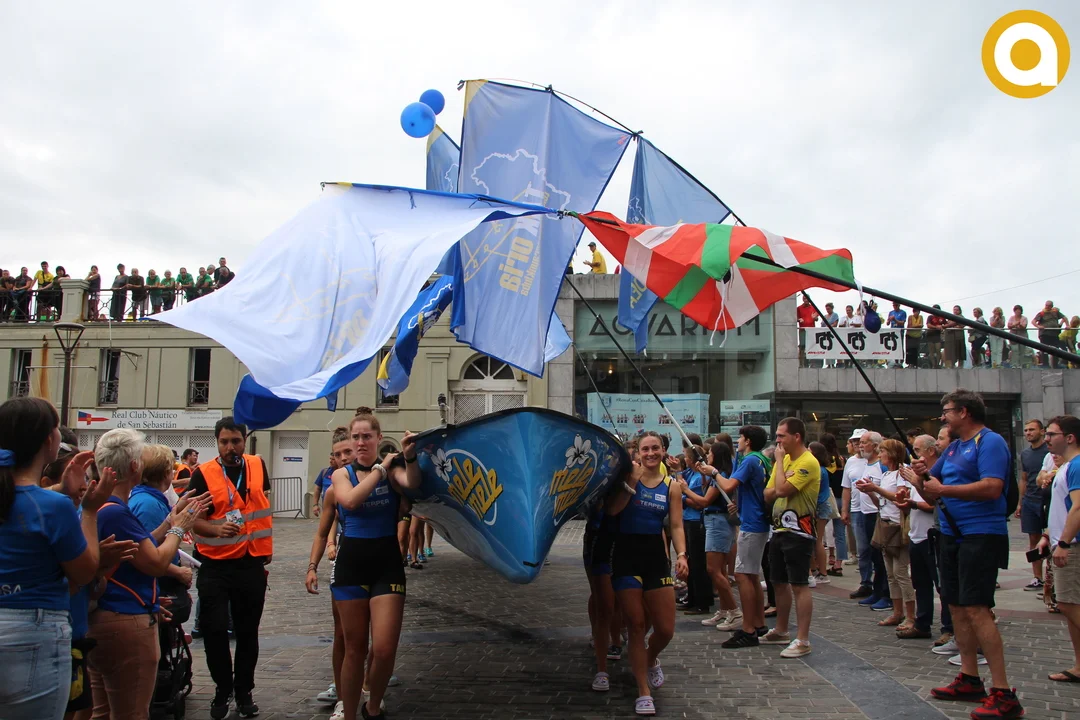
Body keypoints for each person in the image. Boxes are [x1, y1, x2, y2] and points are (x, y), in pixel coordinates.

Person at [0, 398, 114, 720]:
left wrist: (62, 489)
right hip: (34, 630)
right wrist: (89, 510)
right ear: (48, 441)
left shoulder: (38, 501)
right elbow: (85, 572)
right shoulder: (54, 507)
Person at [911, 389, 1021, 719]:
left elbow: (992, 487)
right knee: (956, 606)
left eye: (946, 411)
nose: (942, 417)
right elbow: (932, 493)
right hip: (950, 533)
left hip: (980, 534)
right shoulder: (954, 447)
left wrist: (942, 488)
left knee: (977, 608)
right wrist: (919, 478)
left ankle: (1003, 692)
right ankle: (969, 677)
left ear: (964, 412)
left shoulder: (990, 442)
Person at [87, 428, 206, 720]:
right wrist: (179, 528)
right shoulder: (117, 511)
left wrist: (169, 522)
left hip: (105, 617)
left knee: (102, 711)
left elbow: (140, 548)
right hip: (124, 618)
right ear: (133, 467)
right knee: (132, 712)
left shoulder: (105, 506)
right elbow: (155, 562)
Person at [330, 410, 421, 720]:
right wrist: (380, 470)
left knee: (383, 648)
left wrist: (409, 457)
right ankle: (348, 713)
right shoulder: (342, 474)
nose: (360, 442)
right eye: (356, 437)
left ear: (378, 438)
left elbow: (412, 482)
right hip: (351, 565)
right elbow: (350, 501)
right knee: (354, 649)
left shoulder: (392, 470)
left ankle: (372, 706)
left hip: (386, 563)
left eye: (367, 436)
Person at [187, 417, 274, 719]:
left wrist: (266, 548)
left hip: (251, 561)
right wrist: (215, 529)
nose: (229, 447)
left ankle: (244, 690)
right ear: (217, 442)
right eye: (224, 441)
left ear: (244, 440)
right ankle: (222, 689)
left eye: (235, 441)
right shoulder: (203, 474)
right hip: (215, 565)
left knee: (248, 631)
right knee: (213, 630)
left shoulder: (258, 465)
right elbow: (191, 520)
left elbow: (262, 507)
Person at [606, 431, 688, 716]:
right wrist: (631, 481)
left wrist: (681, 554)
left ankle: (650, 658)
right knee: (636, 625)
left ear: (664, 451)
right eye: (645, 449)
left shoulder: (671, 486)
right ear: (638, 453)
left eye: (656, 448)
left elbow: (676, 525)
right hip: (625, 556)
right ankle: (643, 690)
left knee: (665, 629)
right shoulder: (627, 479)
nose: (651, 453)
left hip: (655, 557)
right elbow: (612, 511)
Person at [702, 426, 771, 648]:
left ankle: (748, 629)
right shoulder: (762, 459)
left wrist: (713, 472)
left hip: (752, 523)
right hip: (755, 519)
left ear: (748, 441)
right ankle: (758, 624)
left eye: (740, 438)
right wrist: (738, 505)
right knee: (751, 575)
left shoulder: (750, 460)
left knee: (742, 575)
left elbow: (729, 484)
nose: (738, 441)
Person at [759, 417, 819, 658]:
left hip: (799, 532)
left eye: (781, 435)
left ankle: (803, 639)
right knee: (778, 582)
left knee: (799, 584)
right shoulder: (783, 461)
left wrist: (781, 471)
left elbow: (782, 490)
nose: (778, 440)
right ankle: (781, 629)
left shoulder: (807, 462)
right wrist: (782, 472)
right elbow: (768, 493)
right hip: (778, 530)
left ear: (797, 436)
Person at [306, 427, 353, 720]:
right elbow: (324, 530)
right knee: (342, 632)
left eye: (348, 451)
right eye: (338, 454)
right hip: (346, 561)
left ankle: (369, 684)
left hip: (377, 563)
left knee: (375, 635)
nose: (343, 457)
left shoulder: (377, 478)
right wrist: (313, 566)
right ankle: (342, 690)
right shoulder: (333, 489)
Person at [1036, 415, 1080, 683]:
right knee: (1071, 603)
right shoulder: (1065, 466)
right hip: (1062, 542)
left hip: (1072, 545)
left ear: (1070, 437)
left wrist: (1064, 543)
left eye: (1052, 434)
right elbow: (1061, 508)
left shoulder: (1076, 465)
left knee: (1067, 603)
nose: (1047, 439)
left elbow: (1078, 507)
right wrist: (1048, 536)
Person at [857, 439, 915, 630]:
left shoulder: (902, 472)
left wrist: (875, 489)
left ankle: (910, 615)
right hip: (884, 523)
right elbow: (881, 502)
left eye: (882, 451)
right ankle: (897, 612)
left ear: (891, 454)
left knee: (900, 572)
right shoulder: (886, 474)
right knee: (890, 574)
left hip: (897, 526)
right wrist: (870, 492)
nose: (880, 454)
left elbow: (900, 497)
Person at [684, 442, 737, 627]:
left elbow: (705, 500)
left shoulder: (720, 475)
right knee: (719, 569)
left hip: (717, 522)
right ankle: (724, 609)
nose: (707, 457)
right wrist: (703, 474)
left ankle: (734, 610)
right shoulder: (716, 476)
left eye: (710, 454)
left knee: (713, 569)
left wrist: (685, 490)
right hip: (713, 521)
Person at [898, 435, 942, 640]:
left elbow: (935, 503)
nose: (913, 456)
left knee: (940, 585)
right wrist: (906, 501)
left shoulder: (936, 475)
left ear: (930, 451)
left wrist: (914, 500)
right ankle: (922, 623)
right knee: (920, 584)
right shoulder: (916, 475)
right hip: (916, 535)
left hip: (931, 536)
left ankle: (948, 628)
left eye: (917, 450)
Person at [582, 496, 621, 693]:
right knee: (602, 600)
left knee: (619, 597)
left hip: (624, 539)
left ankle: (616, 639)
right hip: (598, 537)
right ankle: (602, 653)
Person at [672, 447, 713, 615]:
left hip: (696, 521)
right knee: (691, 562)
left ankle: (702, 601)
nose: (685, 459)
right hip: (688, 520)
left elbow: (697, 503)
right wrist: (677, 471)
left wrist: (682, 496)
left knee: (698, 563)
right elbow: (680, 484)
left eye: (686, 456)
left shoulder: (699, 477)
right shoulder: (690, 473)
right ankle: (692, 597)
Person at [854, 432, 890, 610]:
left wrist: (871, 491)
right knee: (872, 555)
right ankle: (876, 591)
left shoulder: (881, 466)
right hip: (865, 513)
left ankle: (885, 593)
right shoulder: (866, 464)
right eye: (859, 443)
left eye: (864, 442)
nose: (860, 446)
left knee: (881, 557)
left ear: (875, 446)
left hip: (878, 514)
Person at [1017, 419, 1050, 592]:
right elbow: (1023, 478)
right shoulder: (1025, 453)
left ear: (1042, 432)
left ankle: (1052, 578)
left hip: (1046, 500)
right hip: (1030, 500)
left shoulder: (1050, 452)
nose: (1028, 433)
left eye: (1032, 429)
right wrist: (1020, 503)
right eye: (1026, 430)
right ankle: (1037, 577)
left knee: (1051, 538)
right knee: (1033, 539)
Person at [843, 429, 871, 598]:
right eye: (854, 441)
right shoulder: (850, 462)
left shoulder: (874, 461)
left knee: (875, 548)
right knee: (862, 548)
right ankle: (866, 582)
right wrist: (844, 510)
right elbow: (846, 487)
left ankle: (881, 584)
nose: (857, 444)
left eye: (860, 441)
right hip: (857, 510)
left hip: (874, 510)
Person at [809, 442, 839, 586]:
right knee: (814, 540)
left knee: (817, 540)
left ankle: (822, 572)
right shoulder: (822, 469)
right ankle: (815, 569)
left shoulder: (819, 470)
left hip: (819, 507)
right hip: (820, 506)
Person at [821, 433, 848, 574]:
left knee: (818, 531)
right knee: (840, 533)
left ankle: (818, 562)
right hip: (841, 498)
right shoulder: (841, 459)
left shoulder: (823, 461)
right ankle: (838, 564)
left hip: (827, 499)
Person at [1033, 300, 1067, 368]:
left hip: (1054, 334)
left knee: (1055, 349)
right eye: (1046, 305)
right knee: (1044, 349)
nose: (1047, 307)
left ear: (1052, 306)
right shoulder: (1041, 313)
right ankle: (1045, 364)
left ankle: (1055, 364)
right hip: (1045, 334)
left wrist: (1067, 325)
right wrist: (1038, 326)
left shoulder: (1055, 312)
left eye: (1049, 306)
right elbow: (1033, 321)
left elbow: (1064, 318)